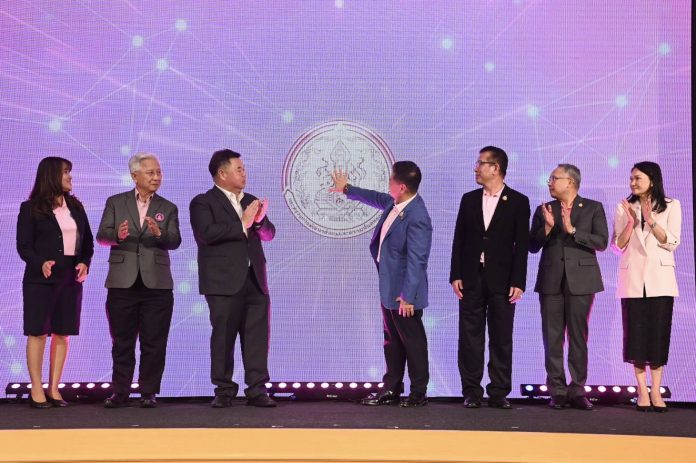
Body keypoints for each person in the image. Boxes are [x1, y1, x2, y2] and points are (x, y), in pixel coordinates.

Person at [331, 161, 432, 407]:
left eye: (391, 180)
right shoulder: (394, 203)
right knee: (392, 340)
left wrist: (408, 296)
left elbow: (417, 260)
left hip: (404, 294)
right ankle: (391, 389)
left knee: (413, 342)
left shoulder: (417, 216)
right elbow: (376, 197)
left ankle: (418, 393)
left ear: (402, 186)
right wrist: (347, 189)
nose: (388, 183)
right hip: (389, 288)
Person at [190, 149, 276, 408]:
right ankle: (224, 389)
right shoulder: (203, 202)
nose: (244, 173)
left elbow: (269, 234)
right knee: (223, 337)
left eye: (244, 168)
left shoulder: (250, 200)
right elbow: (207, 233)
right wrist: (242, 223)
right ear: (222, 173)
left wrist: (258, 222)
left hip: (255, 280)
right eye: (239, 169)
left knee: (257, 338)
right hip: (222, 283)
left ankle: (257, 389)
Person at [97, 153, 181, 408]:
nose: (156, 177)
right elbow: (102, 236)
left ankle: (148, 392)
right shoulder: (115, 202)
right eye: (150, 172)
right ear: (135, 176)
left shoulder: (168, 207)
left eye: (158, 172)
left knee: (154, 341)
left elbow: (175, 241)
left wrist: (159, 233)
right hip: (122, 283)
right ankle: (120, 392)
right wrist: (117, 235)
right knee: (122, 342)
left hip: (157, 285)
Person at [450, 146, 529, 409]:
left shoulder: (518, 201)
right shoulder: (469, 199)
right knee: (469, 337)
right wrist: (456, 274)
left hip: (503, 281)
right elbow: (459, 239)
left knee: (501, 337)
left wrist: (518, 281)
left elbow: (521, 246)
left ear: (495, 168)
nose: (476, 168)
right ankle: (472, 391)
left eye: (480, 163)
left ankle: (498, 391)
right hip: (471, 277)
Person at [17, 157, 94, 408]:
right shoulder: (31, 208)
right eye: (65, 172)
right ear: (51, 175)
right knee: (38, 332)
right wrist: (40, 262)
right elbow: (24, 246)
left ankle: (54, 387)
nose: (70, 177)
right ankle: (36, 388)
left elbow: (88, 243)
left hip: (70, 278)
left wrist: (84, 262)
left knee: (63, 332)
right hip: (41, 278)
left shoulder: (76, 207)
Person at [529, 164, 608, 410]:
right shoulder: (544, 209)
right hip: (551, 280)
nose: (550, 182)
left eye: (554, 178)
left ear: (570, 182)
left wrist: (573, 230)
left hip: (582, 281)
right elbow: (532, 245)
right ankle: (557, 390)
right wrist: (547, 228)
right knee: (552, 337)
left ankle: (577, 390)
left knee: (578, 337)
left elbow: (602, 242)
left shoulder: (593, 207)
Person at [612, 161, 681, 412]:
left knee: (658, 336)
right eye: (631, 178)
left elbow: (672, 243)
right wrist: (631, 223)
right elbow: (617, 246)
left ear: (652, 180)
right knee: (636, 338)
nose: (632, 182)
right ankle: (642, 390)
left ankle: (657, 390)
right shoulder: (624, 206)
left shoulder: (672, 205)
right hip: (632, 280)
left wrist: (651, 220)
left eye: (637, 178)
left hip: (660, 281)